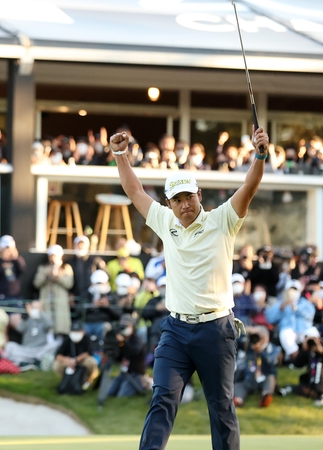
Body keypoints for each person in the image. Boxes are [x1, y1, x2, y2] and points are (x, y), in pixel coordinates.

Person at [111, 124, 269, 449]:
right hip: (176, 330)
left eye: (189, 197)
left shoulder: (222, 219)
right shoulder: (165, 222)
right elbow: (135, 191)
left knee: (222, 408)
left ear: (200, 195)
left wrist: (260, 154)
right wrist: (120, 155)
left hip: (216, 329)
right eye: (177, 199)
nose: (185, 204)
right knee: (162, 400)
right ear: (169, 204)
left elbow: (250, 186)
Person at [279, 328, 323, 407]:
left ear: (319, 339)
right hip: (313, 382)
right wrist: (304, 350)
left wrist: (322, 351)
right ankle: (318, 394)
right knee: (303, 384)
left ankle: (322, 394)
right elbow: (297, 364)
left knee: (319, 366)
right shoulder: (309, 352)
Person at [265, 280, 316, 362]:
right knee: (285, 335)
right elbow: (269, 319)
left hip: (303, 330)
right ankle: (298, 360)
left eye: (295, 290)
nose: (293, 292)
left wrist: (295, 308)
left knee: (313, 332)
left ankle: (313, 360)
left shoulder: (305, 303)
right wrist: (280, 309)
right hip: (289, 331)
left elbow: (309, 315)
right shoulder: (281, 304)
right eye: (290, 290)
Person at [233, 326, 279, 408]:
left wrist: (261, 351)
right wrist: (245, 332)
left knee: (271, 378)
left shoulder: (274, 348)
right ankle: (238, 400)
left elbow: (271, 363)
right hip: (249, 379)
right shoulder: (248, 346)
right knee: (239, 385)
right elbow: (234, 342)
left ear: (265, 337)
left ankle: (266, 397)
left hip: (265, 378)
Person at [4, 300, 58, 369]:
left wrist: (41, 313)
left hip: (40, 350)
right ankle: (29, 362)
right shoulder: (27, 319)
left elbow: (50, 325)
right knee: (10, 346)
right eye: (33, 308)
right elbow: (19, 328)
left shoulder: (43, 319)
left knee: (54, 345)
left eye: (37, 308)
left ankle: (34, 361)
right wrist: (27, 316)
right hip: (26, 350)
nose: (35, 310)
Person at [33, 245, 75, 334]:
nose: (52, 258)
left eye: (54, 256)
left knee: (61, 327)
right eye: (51, 256)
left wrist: (58, 277)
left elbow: (69, 284)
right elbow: (36, 283)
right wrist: (46, 277)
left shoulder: (66, 268)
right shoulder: (43, 268)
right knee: (47, 327)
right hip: (46, 302)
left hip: (60, 303)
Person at [107, 315, 148, 398]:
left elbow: (134, 351)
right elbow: (118, 358)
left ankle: (144, 384)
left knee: (122, 395)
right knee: (110, 392)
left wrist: (123, 342)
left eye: (127, 325)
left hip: (136, 373)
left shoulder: (136, 339)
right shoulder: (121, 340)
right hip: (124, 373)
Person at [53, 322, 99, 391]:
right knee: (56, 364)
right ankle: (66, 379)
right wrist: (66, 360)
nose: (75, 334)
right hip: (69, 362)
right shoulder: (67, 340)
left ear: (83, 332)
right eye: (73, 331)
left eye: (78, 331)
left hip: (81, 361)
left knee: (91, 362)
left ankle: (88, 380)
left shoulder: (86, 339)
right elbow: (58, 355)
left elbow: (88, 352)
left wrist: (77, 360)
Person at [0, 235, 26, 306]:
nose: (8, 251)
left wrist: (16, 257)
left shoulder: (17, 261)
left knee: (16, 316)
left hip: (15, 296)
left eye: (9, 248)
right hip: (1, 296)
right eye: (5, 248)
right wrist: (2, 260)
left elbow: (23, 269)